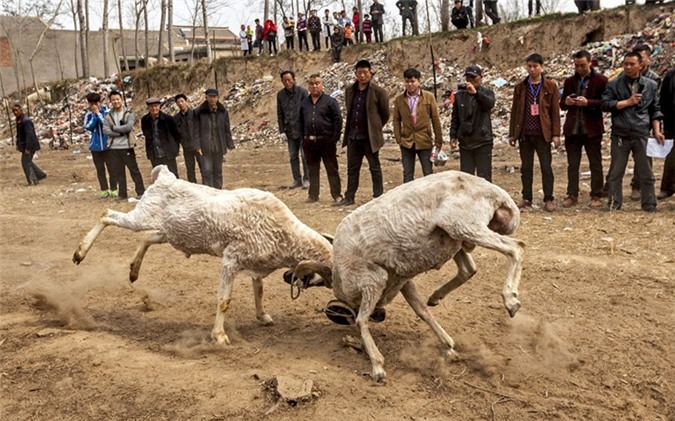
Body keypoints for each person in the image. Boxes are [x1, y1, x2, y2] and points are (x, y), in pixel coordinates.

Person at [601, 51, 664, 212]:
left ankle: (649, 203)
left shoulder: (651, 85)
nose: (628, 67)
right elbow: (605, 104)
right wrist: (626, 102)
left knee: (646, 172)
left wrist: (657, 131)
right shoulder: (614, 84)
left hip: (641, 132)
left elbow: (655, 110)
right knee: (616, 172)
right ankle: (614, 203)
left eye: (632, 64)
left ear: (640, 66)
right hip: (620, 134)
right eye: (626, 64)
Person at [508, 53, 561, 212]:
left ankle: (548, 198)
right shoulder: (520, 87)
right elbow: (515, 111)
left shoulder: (550, 86)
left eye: (535, 66)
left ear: (541, 67)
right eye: (529, 66)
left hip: (542, 133)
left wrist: (556, 134)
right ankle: (527, 197)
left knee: (546, 167)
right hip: (525, 133)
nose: (532, 69)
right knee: (526, 168)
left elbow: (554, 112)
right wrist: (512, 133)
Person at [337, 60, 390, 207]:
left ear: (370, 74)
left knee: (374, 167)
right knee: (352, 169)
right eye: (359, 73)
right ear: (355, 74)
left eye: (365, 73)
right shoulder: (350, 90)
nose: (362, 76)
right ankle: (349, 197)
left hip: (370, 138)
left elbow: (385, 114)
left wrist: (375, 128)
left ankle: (378, 196)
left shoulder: (379, 92)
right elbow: (349, 111)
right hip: (353, 136)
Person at [559, 50, 608, 208]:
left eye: (582, 65)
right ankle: (572, 194)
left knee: (595, 163)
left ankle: (596, 194)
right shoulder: (569, 81)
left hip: (592, 129)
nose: (579, 68)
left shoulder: (601, 80)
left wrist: (588, 103)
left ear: (590, 62)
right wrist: (567, 101)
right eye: (576, 65)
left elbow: (606, 103)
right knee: (573, 164)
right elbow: (562, 105)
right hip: (573, 129)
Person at [392, 67, 444, 183]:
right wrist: (398, 139)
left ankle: (429, 198)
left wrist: (438, 141)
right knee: (407, 174)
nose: (410, 84)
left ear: (419, 81)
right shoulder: (399, 99)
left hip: (424, 140)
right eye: (407, 81)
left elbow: (435, 119)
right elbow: (396, 120)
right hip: (407, 142)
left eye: (412, 81)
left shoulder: (428, 97)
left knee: (428, 173)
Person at [299, 74, 343, 203]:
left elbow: (337, 120)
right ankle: (313, 195)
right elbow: (300, 121)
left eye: (317, 83)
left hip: (326, 141)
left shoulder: (330, 101)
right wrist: (303, 139)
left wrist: (334, 138)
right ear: (308, 86)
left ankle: (336, 195)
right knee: (312, 169)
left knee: (331, 169)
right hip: (310, 142)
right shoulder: (304, 103)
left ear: (322, 85)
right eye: (311, 83)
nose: (314, 86)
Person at [450, 65, 496, 182]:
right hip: (465, 141)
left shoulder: (487, 93)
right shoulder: (460, 95)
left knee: (484, 177)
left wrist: (476, 94)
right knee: (466, 178)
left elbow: (489, 104)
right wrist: (453, 135)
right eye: (468, 77)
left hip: (482, 141)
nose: (470, 80)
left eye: (473, 77)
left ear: (480, 78)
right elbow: (455, 117)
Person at [103, 90, 145, 200]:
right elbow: (106, 130)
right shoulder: (108, 116)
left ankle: (141, 192)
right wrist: (120, 132)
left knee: (134, 170)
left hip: (126, 146)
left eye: (117, 99)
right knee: (119, 172)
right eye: (113, 100)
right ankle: (122, 194)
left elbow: (128, 127)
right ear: (110, 101)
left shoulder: (129, 113)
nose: (116, 101)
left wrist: (114, 129)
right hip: (113, 148)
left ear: (121, 99)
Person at [193, 88, 235, 189]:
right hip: (205, 147)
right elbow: (195, 130)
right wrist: (197, 145)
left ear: (218, 98)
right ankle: (209, 193)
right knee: (207, 171)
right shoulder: (199, 112)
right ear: (206, 97)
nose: (212, 99)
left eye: (214, 97)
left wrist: (229, 143)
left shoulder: (222, 111)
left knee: (218, 171)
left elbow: (226, 128)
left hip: (219, 146)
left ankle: (218, 191)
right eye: (210, 97)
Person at [277, 70, 310, 189]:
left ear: (294, 79)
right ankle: (297, 179)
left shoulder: (302, 92)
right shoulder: (280, 95)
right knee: (292, 156)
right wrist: (281, 131)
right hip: (290, 130)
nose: (287, 82)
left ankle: (307, 179)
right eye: (284, 80)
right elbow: (280, 114)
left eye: (289, 80)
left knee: (305, 156)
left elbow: (308, 111)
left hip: (302, 130)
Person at [84, 92, 115, 198]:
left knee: (112, 168)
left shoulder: (107, 112)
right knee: (100, 170)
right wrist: (94, 116)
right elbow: (88, 127)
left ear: (99, 103)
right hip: (95, 147)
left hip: (108, 146)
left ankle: (114, 189)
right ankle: (104, 190)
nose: (94, 106)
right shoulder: (88, 115)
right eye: (91, 103)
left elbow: (107, 125)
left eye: (96, 103)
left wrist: (98, 114)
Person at [141, 97, 181, 177]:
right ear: (148, 108)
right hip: (154, 154)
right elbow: (146, 134)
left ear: (159, 106)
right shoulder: (145, 120)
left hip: (168, 153)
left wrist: (174, 149)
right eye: (151, 107)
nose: (154, 108)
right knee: (158, 177)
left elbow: (177, 135)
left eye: (156, 106)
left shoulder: (168, 119)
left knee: (172, 176)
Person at [13, 103, 47, 186]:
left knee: (25, 162)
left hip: (30, 145)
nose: (15, 112)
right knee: (28, 161)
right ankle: (40, 175)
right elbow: (19, 134)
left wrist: (27, 148)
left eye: (16, 110)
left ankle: (33, 180)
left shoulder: (26, 121)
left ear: (21, 109)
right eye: (13, 111)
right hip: (25, 145)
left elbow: (30, 135)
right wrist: (18, 144)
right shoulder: (19, 120)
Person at [173, 93, 201, 183]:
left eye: (182, 101)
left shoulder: (195, 114)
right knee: (190, 169)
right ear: (176, 104)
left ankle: (206, 185)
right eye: (178, 102)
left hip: (198, 146)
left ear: (186, 102)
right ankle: (193, 186)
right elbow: (176, 134)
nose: (181, 104)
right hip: (186, 147)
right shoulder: (176, 118)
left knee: (203, 167)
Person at [657, 67, 675, 200]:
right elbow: (664, 101)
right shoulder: (671, 75)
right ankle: (667, 187)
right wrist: (665, 126)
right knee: (672, 157)